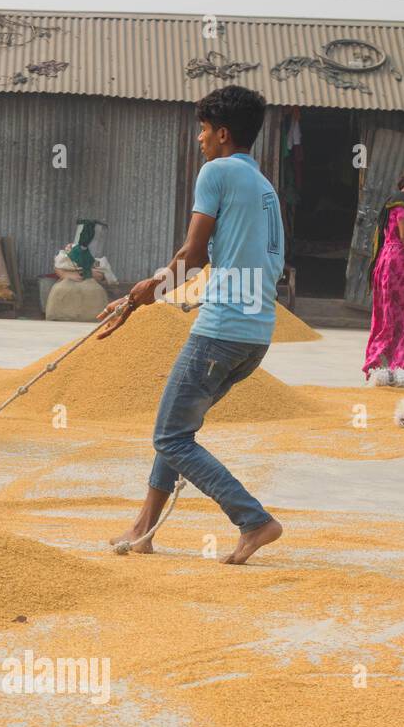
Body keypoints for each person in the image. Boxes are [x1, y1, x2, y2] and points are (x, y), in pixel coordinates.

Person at [102, 85, 285, 565]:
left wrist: (146, 292)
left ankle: (253, 520)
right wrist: (141, 292)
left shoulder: (216, 171)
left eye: (203, 130)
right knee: (178, 428)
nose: (200, 140)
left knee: (169, 436)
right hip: (255, 334)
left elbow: (194, 255)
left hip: (221, 330)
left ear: (222, 134)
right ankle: (143, 527)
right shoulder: (263, 186)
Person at [363, 168, 404, 387]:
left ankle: (379, 368)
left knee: (387, 319)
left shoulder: (393, 200)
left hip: (388, 262)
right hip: (401, 265)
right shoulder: (403, 204)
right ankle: (399, 370)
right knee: (403, 320)